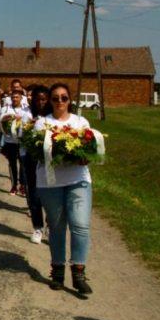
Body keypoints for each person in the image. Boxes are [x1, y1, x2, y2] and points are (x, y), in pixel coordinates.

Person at [34, 83, 94, 294]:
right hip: (51, 182)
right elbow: (38, 153)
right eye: (55, 98)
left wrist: (84, 156)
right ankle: (58, 271)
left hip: (78, 179)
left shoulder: (80, 122)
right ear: (49, 101)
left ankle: (78, 271)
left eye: (64, 98)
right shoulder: (42, 124)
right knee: (57, 227)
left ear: (70, 100)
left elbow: (89, 150)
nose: (60, 102)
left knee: (80, 225)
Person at [24, 85, 52, 244]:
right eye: (37, 99)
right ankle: (37, 227)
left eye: (44, 99)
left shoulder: (52, 116)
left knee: (50, 194)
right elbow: (18, 133)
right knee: (34, 195)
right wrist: (27, 126)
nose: (41, 102)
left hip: (48, 160)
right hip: (31, 158)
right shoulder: (27, 114)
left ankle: (49, 225)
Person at [0, 89, 29, 195]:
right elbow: (1, 121)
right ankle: (13, 186)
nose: (15, 99)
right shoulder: (5, 108)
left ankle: (22, 185)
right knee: (12, 164)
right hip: (10, 141)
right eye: (13, 97)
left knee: (23, 164)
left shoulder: (26, 110)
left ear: (21, 98)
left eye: (17, 97)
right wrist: (10, 117)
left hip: (22, 141)